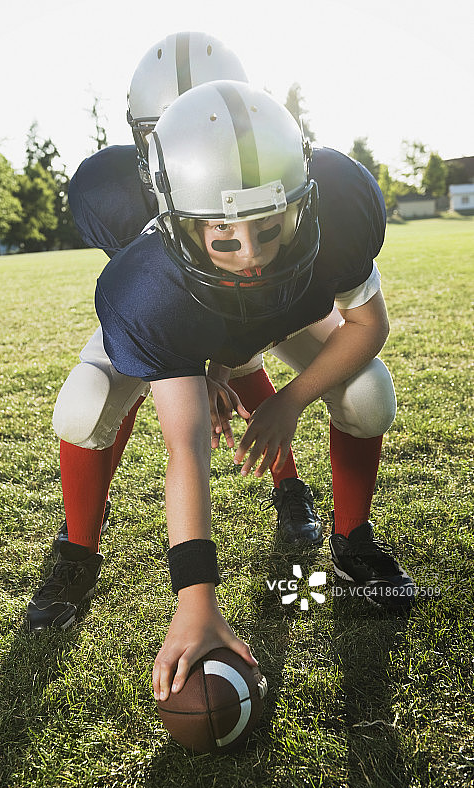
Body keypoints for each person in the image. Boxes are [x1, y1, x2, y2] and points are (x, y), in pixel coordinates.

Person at [58, 80, 416, 701]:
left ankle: (352, 543)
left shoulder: (339, 205)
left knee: (367, 395)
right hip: (190, 318)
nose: (250, 256)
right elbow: (187, 447)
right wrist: (195, 600)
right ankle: (76, 551)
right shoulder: (149, 281)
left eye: (270, 227)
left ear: (302, 199)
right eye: (223, 236)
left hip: (285, 317)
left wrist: (290, 398)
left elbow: (369, 324)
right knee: (85, 405)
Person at [26, 36, 322, 633]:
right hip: (164, 306)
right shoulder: (109, 190)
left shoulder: (276, 185)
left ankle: (293, 490)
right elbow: (161, 320)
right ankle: (79, 546)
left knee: (293, 373)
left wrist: (219, 366)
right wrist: (198, 368)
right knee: (85, 407)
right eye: (173, 129)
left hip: (254, 300)